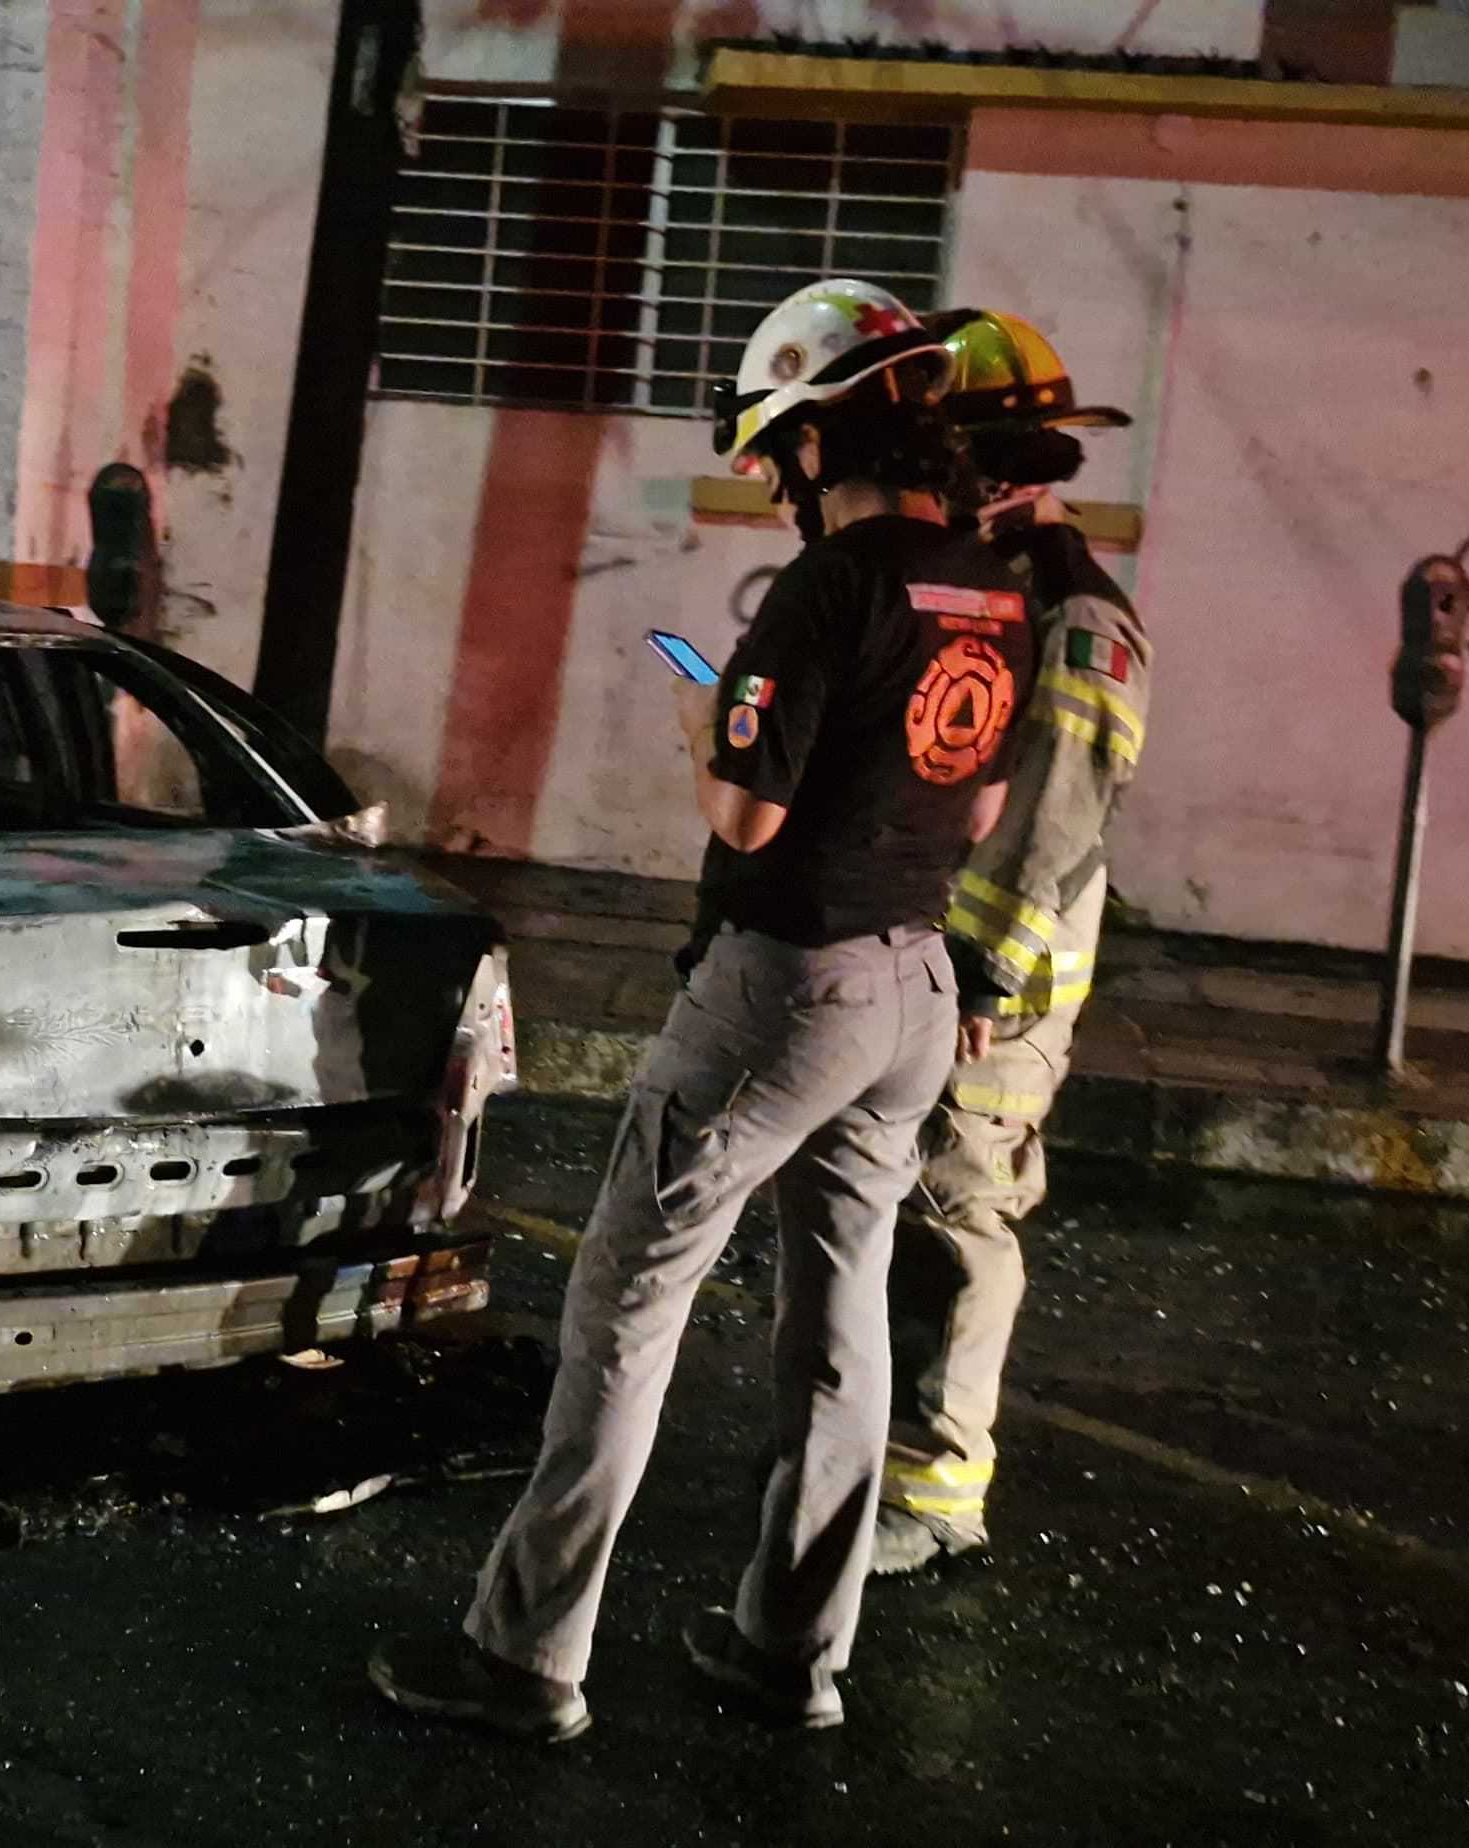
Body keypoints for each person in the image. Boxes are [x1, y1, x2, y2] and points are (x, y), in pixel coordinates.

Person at [368, 280, 1019, 1740]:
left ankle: (524, 1658)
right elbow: (975, 802)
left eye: (780, 441)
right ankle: (795, 1657)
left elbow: (747, 813)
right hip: (916, 984)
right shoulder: (995, 584)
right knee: (842, 1323)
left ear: (819, 433)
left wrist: (702, 716)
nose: (777, 476)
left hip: (788, 990)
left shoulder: (834, 583)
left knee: (626, 1302)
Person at [877, 310, 1155, 1574]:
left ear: (1000, 465)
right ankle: (874, 1463)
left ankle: (935, 1497)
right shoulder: (977, 583)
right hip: (935, 953)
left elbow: (1054, 809)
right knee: (898, 1208)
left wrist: (978, 970)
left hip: (1002, 980)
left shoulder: (1076, 617)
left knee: (954, 1205)